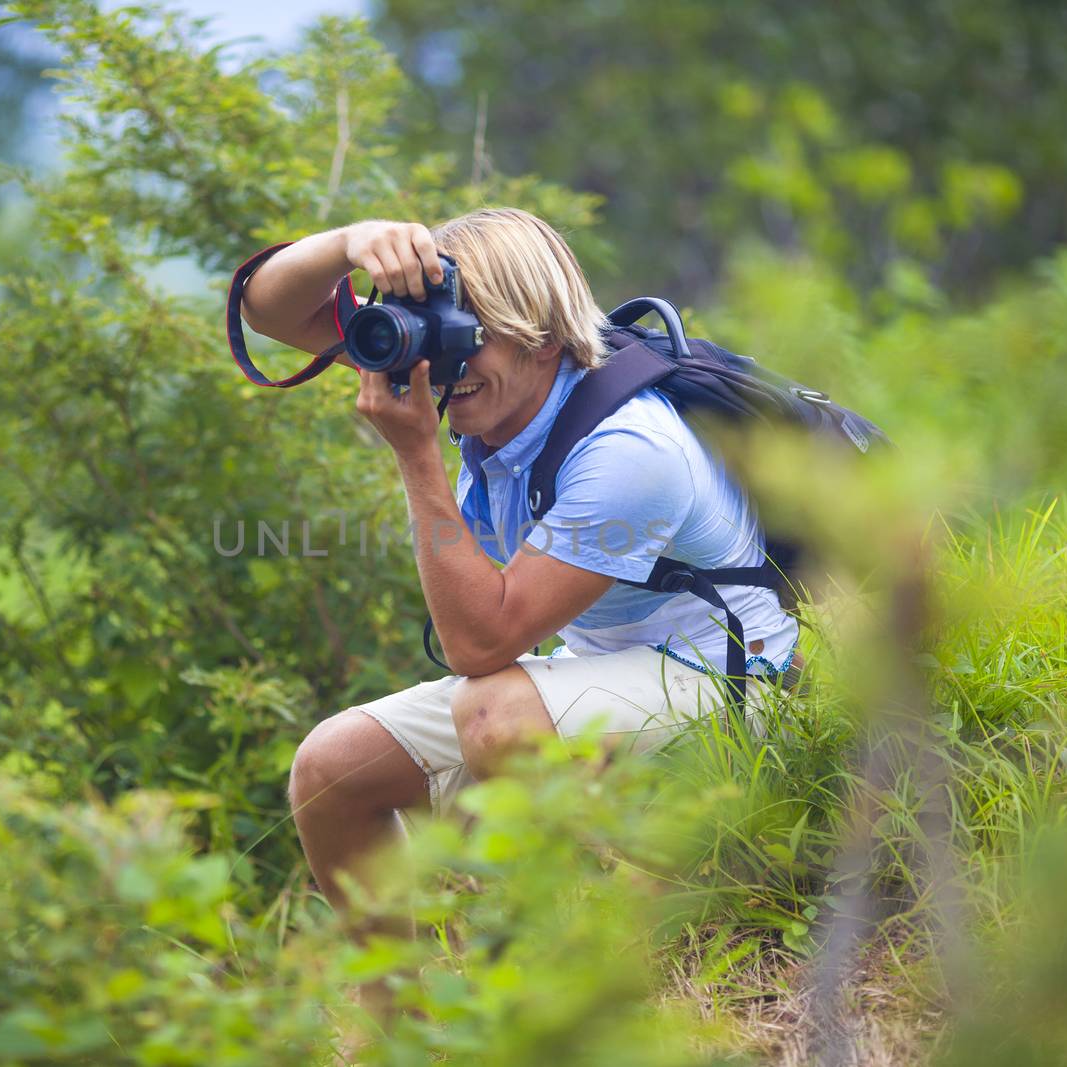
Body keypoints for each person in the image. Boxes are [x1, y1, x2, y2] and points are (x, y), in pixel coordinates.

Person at [238, 208, 799, 913]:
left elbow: (480, 643)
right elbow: (269, 309)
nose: (447, 368)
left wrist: (417, 457)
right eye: (440, 337)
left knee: (493, 715)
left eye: (472, 340)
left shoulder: (629, 449)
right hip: (604, 672)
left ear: (542, 336)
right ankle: (394, 1018)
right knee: (329, 765)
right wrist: (350, 243)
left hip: (734, 689)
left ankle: (604, 942)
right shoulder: (478, 375)